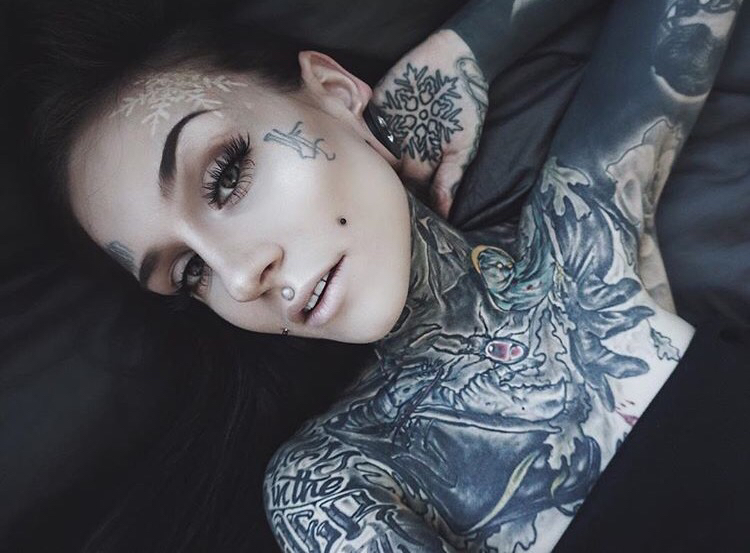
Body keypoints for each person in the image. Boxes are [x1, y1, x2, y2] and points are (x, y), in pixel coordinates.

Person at [18, 0, 742, 551]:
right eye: (188, 274)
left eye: (226, 175)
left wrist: (467, 47)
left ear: (333, 91)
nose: (239, 278)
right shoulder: (332, 481)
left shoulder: (584, 228)